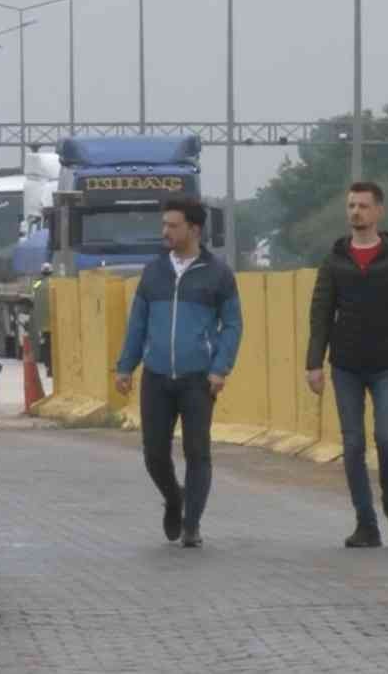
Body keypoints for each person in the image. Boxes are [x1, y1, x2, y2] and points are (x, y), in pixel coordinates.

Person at [306, 181, 388, 549]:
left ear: (378, 211)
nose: (355, 212)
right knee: (353, 443)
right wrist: (314, 364)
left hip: (386, 364)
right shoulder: (335, 259)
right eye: (351, 206)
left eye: (362, 206)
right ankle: (366, 523)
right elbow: (321, 314)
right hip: (345, 365)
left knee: (387, 440)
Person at [115, 197, 242, 549]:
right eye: (164, 225)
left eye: (173, 225)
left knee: (197, 451)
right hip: (156, 376)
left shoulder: (218, 274)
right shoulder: (154, 272)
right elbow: (137, 323)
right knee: (154, 453)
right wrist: (126, 366)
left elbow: (232, 324)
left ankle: (192, 524)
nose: (165, 232)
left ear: (194, 230)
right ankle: (174, 497)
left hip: (198, 378)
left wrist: (220, 367)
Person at [29, 263, 54, 377]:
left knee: (46, 345)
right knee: (54, 345)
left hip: (43, 322)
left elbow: (33, 288)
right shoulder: (54, 283)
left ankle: (48, 367)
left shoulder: (38, 284)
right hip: (54, 321)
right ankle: (53, 367)